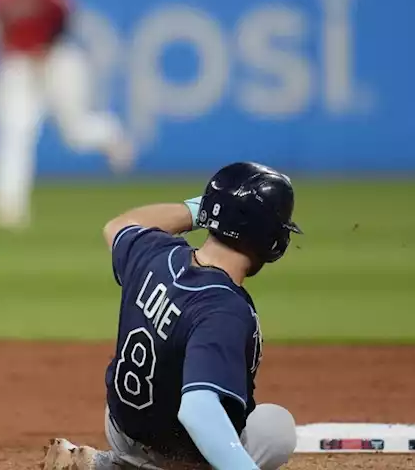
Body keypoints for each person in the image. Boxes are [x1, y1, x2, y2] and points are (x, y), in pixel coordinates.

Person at [44, 162, 303, 469]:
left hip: (121, 428)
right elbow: (198, 412)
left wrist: (204, 209)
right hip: (180, 452)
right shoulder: (224, 308)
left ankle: (112, 465)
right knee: (275, 428)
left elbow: (118, 225)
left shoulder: (156, 252)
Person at [0, 0, 135, 230]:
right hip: (19, 63)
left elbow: (66, 16)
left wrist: (46, 47)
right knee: (14, 133)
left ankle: (110, 134)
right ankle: (8, 209)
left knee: (75, 132)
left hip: (58, 59)